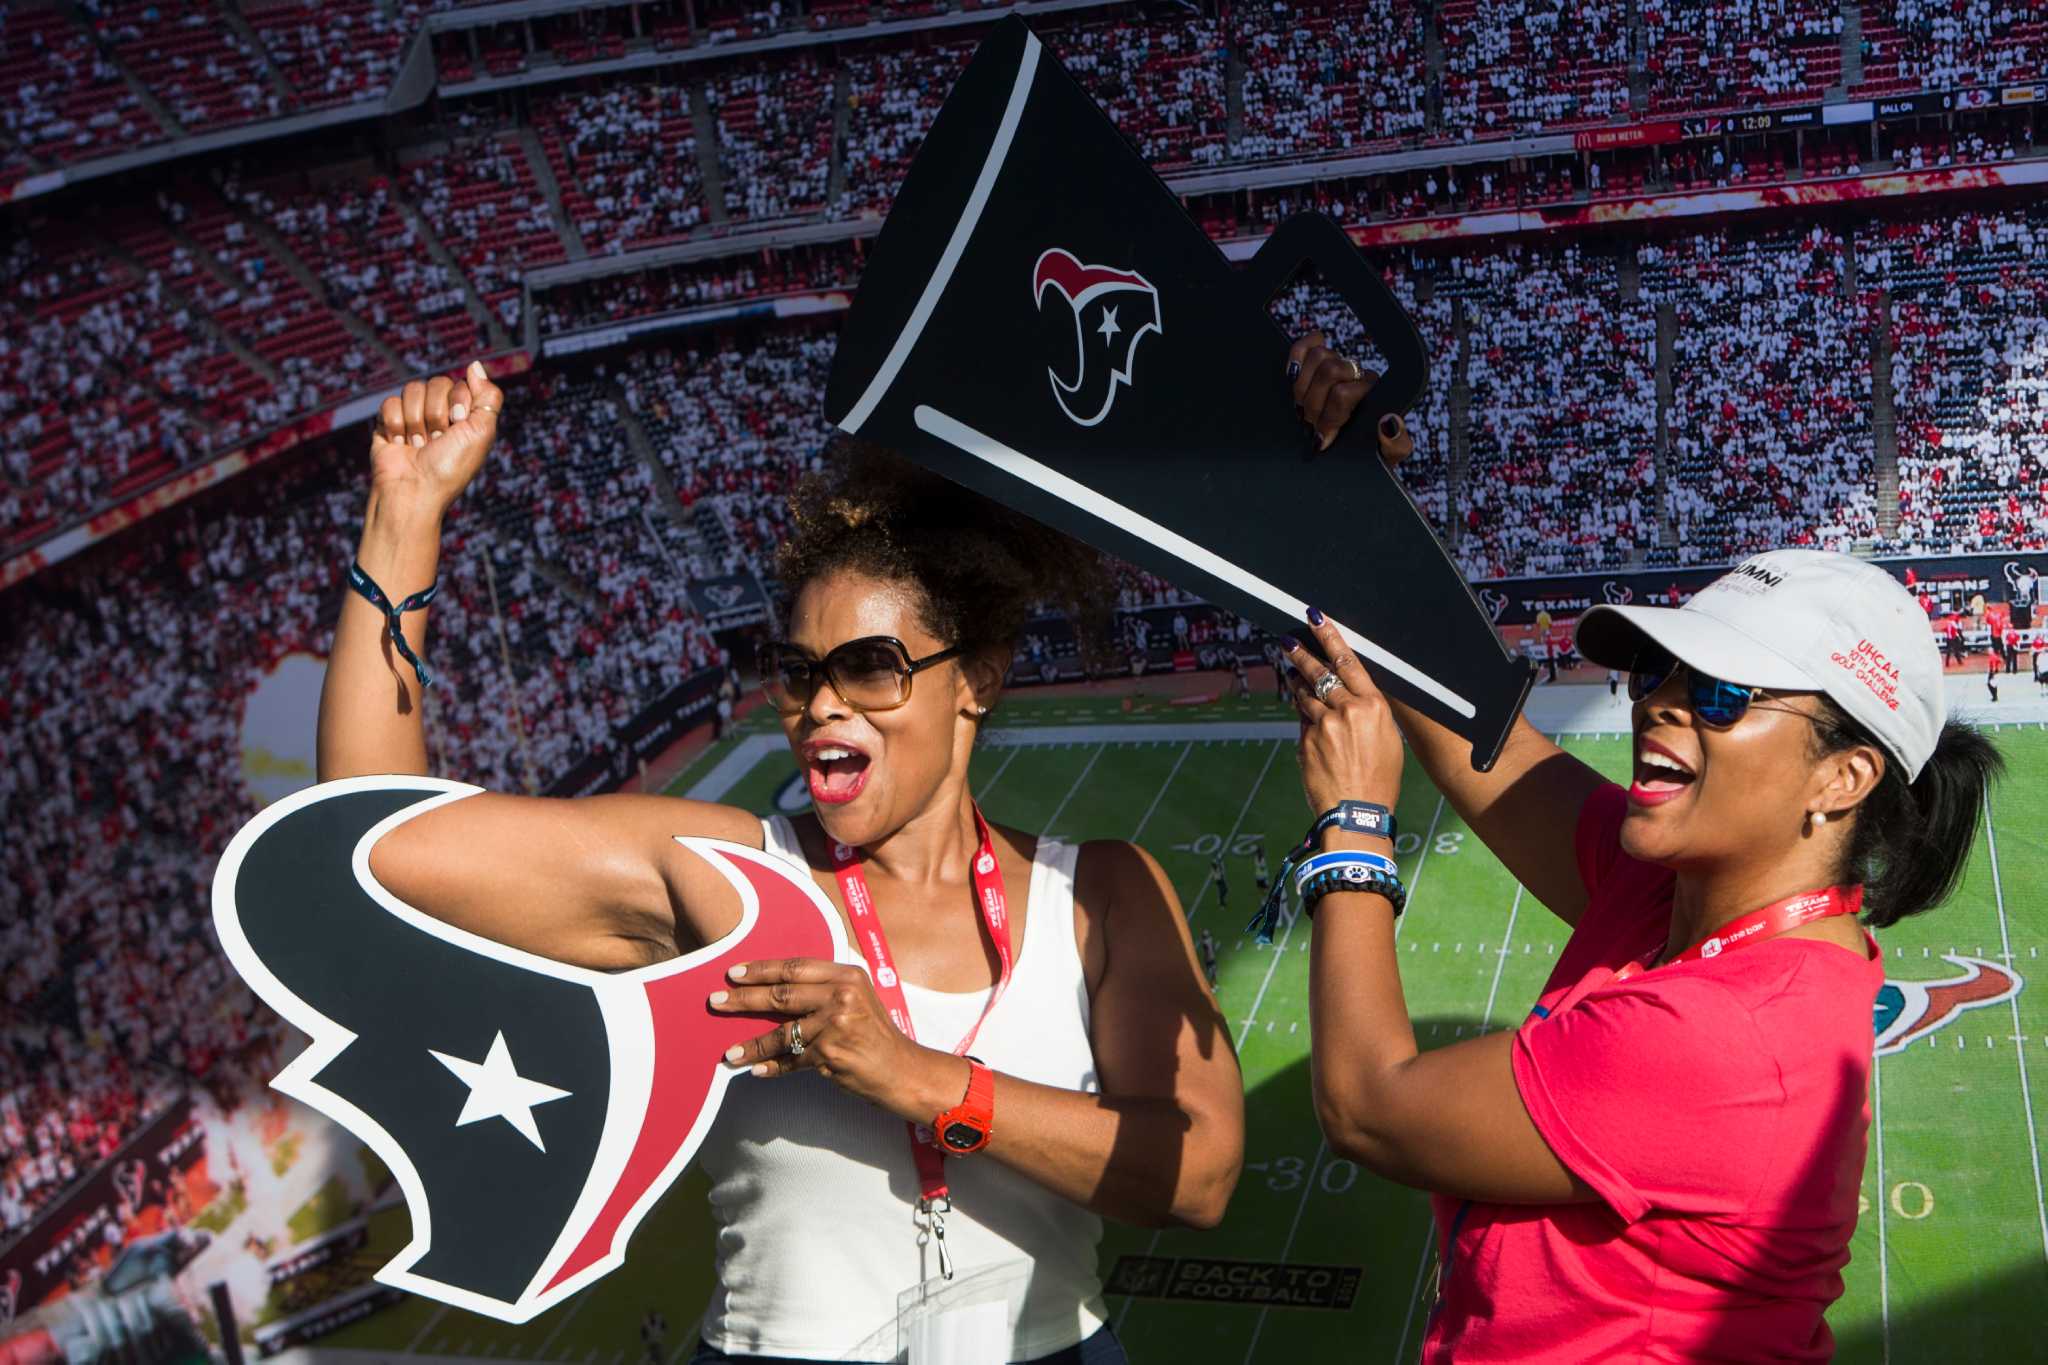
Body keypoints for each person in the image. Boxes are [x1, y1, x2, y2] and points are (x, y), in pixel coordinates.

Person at [318, 366, 1244, 1364]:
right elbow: (383, 850)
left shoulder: (1099, 891)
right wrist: (402, 515)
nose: (823, 705)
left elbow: (1194, 1177)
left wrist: (911, 1076)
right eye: (800, 671)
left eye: (871, 666)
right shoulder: (723, 877)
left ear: (975, 678)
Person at [1282, 333, 2002, 1361]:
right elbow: (1488, 745)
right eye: (1657, 673)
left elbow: (1367, 1107)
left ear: (1841, 779)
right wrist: (1353, 494)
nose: (1659, 702)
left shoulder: (1727, 1039)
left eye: (1716, 693)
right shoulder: (1683, 889)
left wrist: (1349, 825)